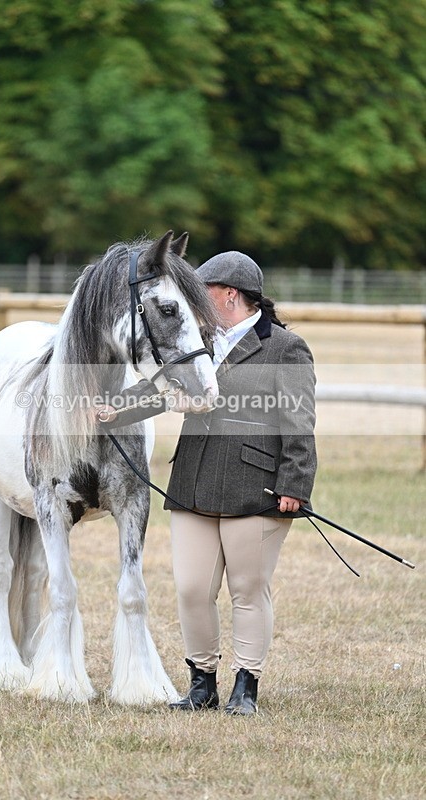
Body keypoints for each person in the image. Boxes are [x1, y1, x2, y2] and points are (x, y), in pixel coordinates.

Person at [98, 251, 317, 716]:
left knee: (247, 589)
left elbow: (299, 423)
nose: (192, 299)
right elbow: (164, 389)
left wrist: (295, 484)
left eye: (203, 292)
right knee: (192, 589)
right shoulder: (196, 340)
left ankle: (245, 686)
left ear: (230, 295)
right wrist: (114, 409)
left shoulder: (285, 348)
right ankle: (202, 683)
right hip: (193, 482)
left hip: (256, 488)